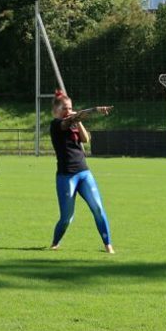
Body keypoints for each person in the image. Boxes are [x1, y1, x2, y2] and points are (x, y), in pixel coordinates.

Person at [49, 89, 114, 253]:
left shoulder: (73, 122)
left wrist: (78, 121)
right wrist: (95, 110)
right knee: (67, 218)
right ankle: (55, 243)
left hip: (84, 172)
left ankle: (108, 245)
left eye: (70, 107)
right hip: (66, 176)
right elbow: (68, 120)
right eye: (64, 108)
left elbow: (85, 139)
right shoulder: (56, 124)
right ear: (55, 111)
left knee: (98, 208)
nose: (68, 111)